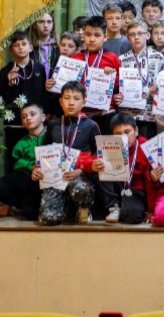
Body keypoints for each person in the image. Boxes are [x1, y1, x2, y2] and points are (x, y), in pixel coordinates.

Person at [32, 81, 100, 226]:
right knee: (48, 219)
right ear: (60, 101)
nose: (71, 103)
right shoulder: (53, 125)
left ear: (84, 101)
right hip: (56, 178)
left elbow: (98, 156)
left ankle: (83, 208)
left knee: (81, 190)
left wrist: (81, 170)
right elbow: (43, 153)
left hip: (79, 177)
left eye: (76, 98)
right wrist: (37, 169)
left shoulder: (91, 126)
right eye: (67, 98)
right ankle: (66, 209)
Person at [0, 31, 45, 170]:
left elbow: (44, 94)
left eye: (24, 44)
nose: (21, 47)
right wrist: (9, 85)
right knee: (15, 161)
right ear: (11, 50)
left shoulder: (39, 68)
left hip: (37, 125)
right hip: (14, 125)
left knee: (38, 161)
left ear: (30, 47)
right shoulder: (5, 72)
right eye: (16, 45)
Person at [0, 103, 46, 220]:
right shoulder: (21, 142)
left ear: (43, 117)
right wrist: (7, 203)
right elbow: (14, 166)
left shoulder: (52, 135)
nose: (28, 118)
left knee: (29, 214)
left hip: (44, 180)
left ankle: (31, 205)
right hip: (26, 178)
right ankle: (20, 203)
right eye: (24, 116)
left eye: (32, 114)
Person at [92, 113, 153, 224]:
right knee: (99, 169)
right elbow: (91, 161)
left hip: (136, 191)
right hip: (115, 188)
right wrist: (94, 165)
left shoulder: (147, 147)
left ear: (136, 131)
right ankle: (114, 207)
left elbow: (150, 183)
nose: (123, 137)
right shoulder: (108, 145)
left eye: (127, 132)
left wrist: (151, 210)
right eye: (118, 134)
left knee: (132, 216)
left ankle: (124, 211)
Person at [71, 15, 121, 123]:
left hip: (106, 113)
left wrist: (111, 78)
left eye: (97, 35)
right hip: (80, 113)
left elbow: (121, 87)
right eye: (88, 34)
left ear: (105, 37)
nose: (92, 39)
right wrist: (53, 85)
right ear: (83, 35)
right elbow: (67, 86)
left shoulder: (112, 58)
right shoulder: (75, 58)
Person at [118, 20, 164, 127]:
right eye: (132, 34)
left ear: (148, 35)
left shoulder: (158, 57)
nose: (136, 37)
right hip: (128, 113)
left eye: (140, 33)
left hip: (150, 112)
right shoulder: (121, 59)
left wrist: (157, 88)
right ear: (128, 38)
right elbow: (119, 85)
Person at [28, 11, 58, 78]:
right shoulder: (28, 47)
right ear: (35, 25)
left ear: (53, 24)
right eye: (41, 22)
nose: (46, 25)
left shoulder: (59, 47)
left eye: (49, 22)